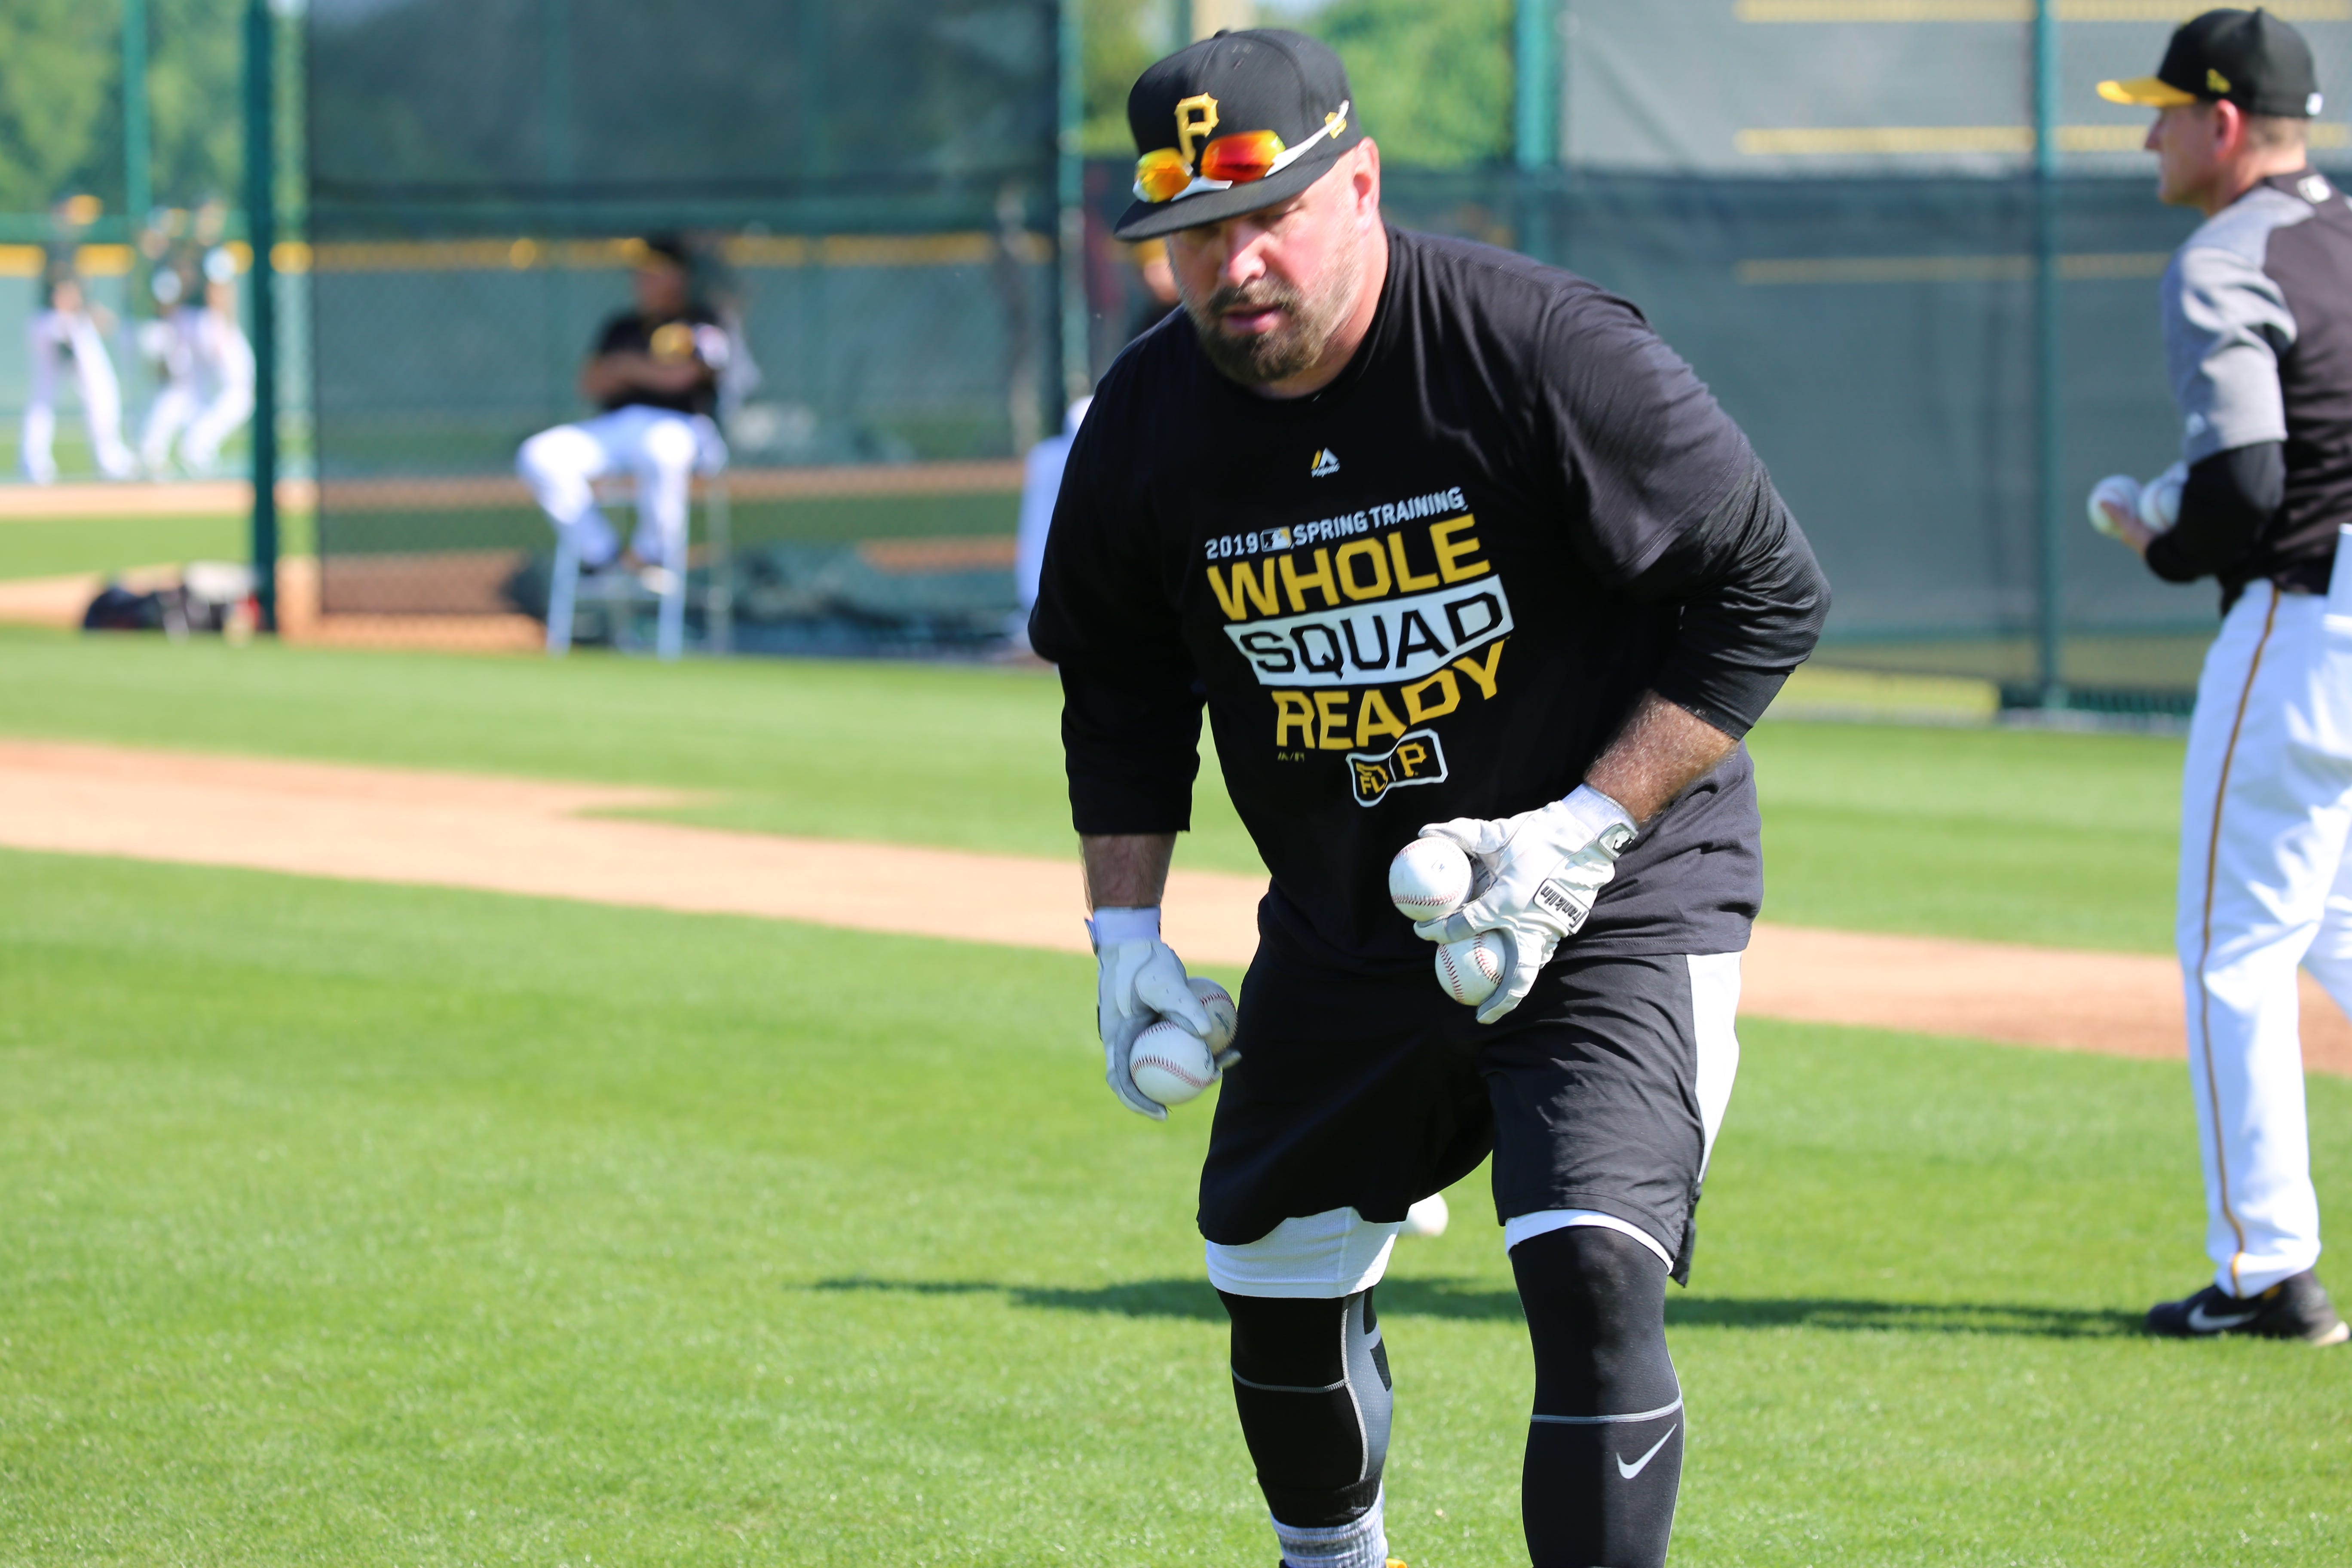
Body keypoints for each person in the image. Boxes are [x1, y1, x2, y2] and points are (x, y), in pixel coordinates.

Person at [1029, 29, 1828, 1568]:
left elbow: (1765, 591)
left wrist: (1580, 829)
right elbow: (1121, 687)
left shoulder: (1534, 348)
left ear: (1362, 184)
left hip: (1609, 883)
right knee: (1271, 1282)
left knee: (1589, 1270)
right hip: (1344, 918)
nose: (1236, 262)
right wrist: (1122, 938)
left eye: (1269, 214)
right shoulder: (1143, 422)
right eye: (1194, 232)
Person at [2090, 7, 2352, 1347]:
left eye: (2165, 110)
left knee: (2233, 953)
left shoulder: (2223, 255)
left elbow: (2250, 487)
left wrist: (2158, 537)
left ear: (2226, 123)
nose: (2149, 134)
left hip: (2307, 628)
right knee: (2342, 932)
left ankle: (2266, 1273)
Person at [517, 236, 729, 589]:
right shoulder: (621, 326)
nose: (643, 279)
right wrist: (644, 371)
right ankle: (602, 557)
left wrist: (626, 368)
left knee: (662, 449)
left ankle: (652, 556)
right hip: (616, 428)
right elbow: (591, 382)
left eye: (655, 272)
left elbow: (684, 378)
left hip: (681, 425)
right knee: (539, 455)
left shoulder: (702, 322)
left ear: (678, 276)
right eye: (640, 272)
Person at [138, 248, 255, 478]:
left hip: (187, 322)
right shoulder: (209, 248)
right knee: (241, 393)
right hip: (208, 324)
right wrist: (223, 328)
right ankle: (196, 448)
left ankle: (154, 448)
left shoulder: (185, 250)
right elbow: (217, 289)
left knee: (185, 392)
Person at [21, 267, 134, 484]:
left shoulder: (77, 313)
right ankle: (108, 459)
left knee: (51, 398)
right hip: (58, 322)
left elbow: (107, 324)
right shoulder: (61, 252)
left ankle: (35, 461)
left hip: (58, 322)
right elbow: (64, 298)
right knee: (92, 394)